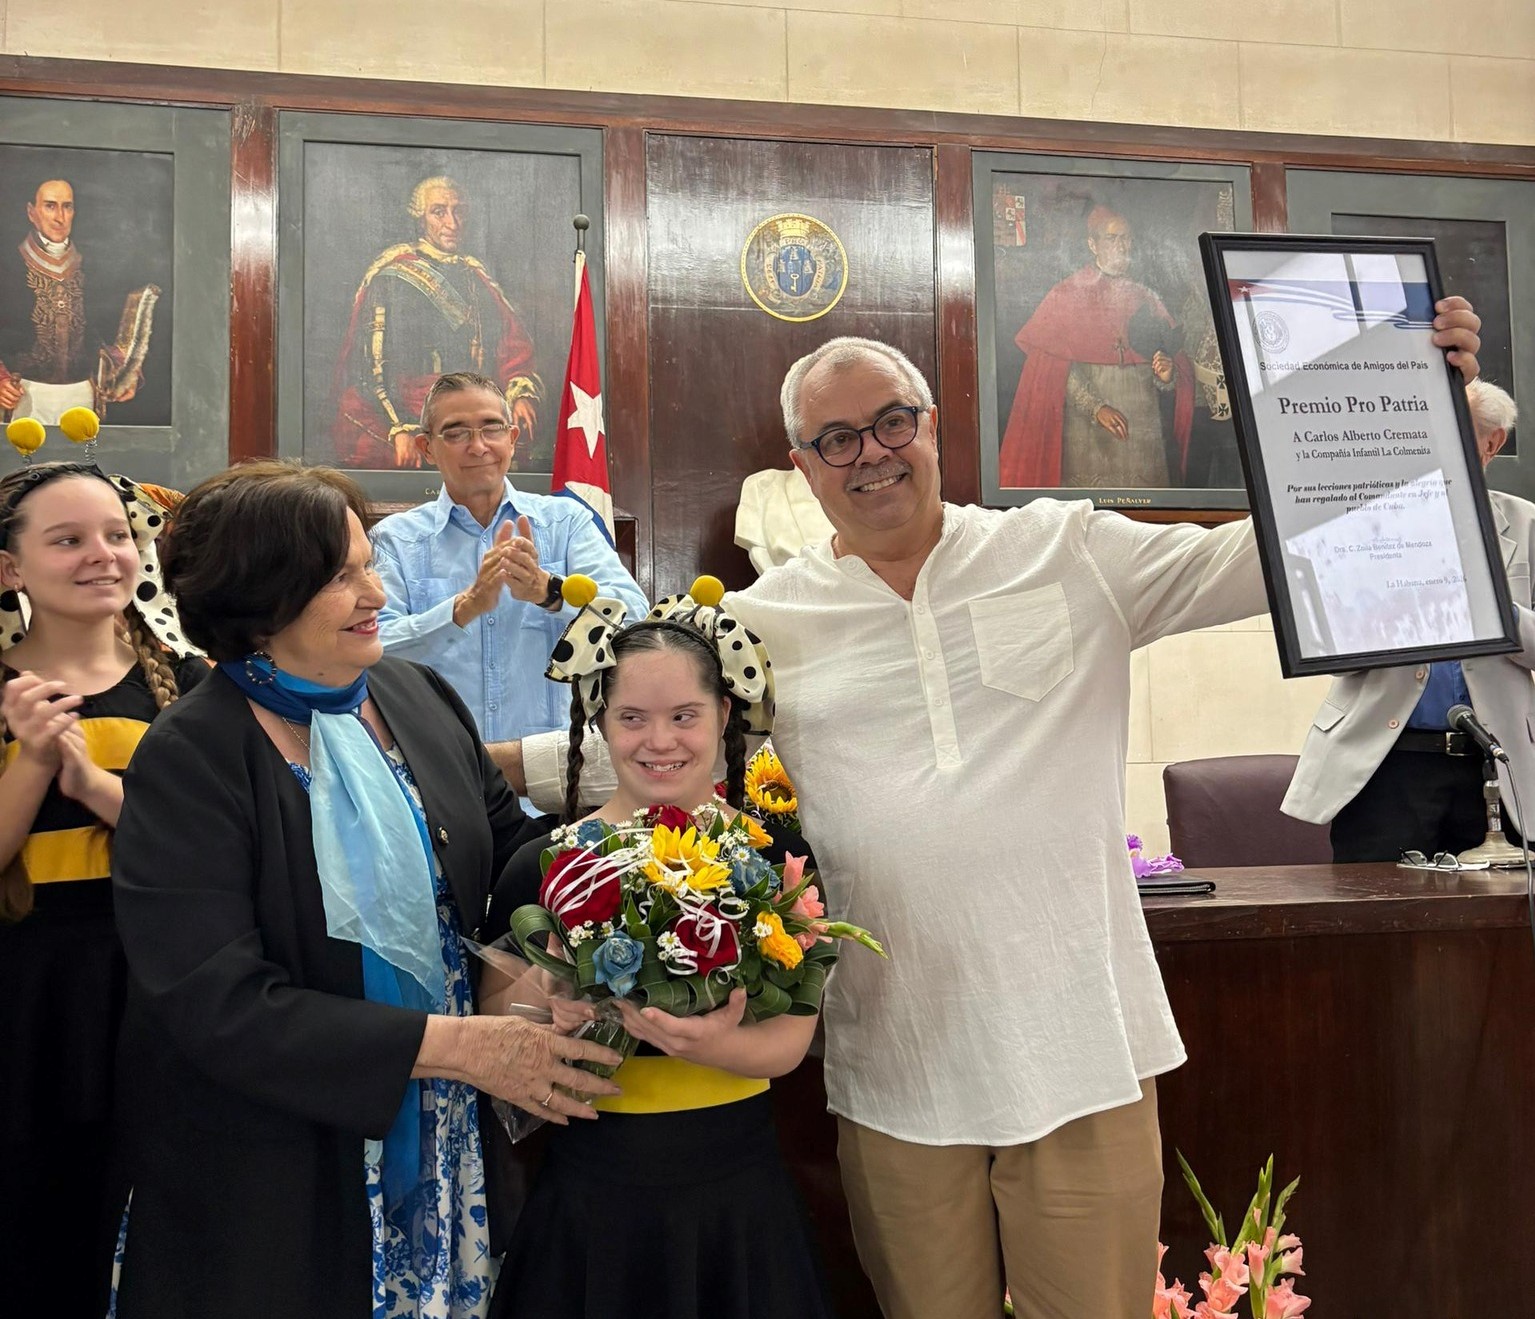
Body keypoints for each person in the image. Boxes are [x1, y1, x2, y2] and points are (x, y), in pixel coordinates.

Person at [514, 309, 1482, 1317]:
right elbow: (649, 735)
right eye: (836, 439)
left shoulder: (1065, 551)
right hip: (898, 1069)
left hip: (1079, 1053)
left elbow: (1264, 552)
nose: (870, 455)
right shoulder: (763, 621)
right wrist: (465, 758)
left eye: (891, 423)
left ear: (932, 426)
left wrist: (1417, 411)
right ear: (802, 463)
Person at [107, 460, 622, 1319]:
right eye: (341, 576)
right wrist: (464, 1046)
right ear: (262, 600)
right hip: (277, 1167)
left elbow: (507, 853)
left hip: (445, 1141)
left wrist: (614, 875)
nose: (376, 590)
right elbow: (216, 1003)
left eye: (367, 564)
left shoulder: (412, 693)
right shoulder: (189, 755)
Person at [483, 583, 833, 1319]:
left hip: (737, 1202)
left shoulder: (776, 857)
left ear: (724, 716)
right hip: (588, 1202)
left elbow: (788, 1040)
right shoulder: (542, 861)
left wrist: (705, 1041)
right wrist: (548, 1009)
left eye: (684, 716)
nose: (659, 740)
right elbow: (495, 1030)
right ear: (599, 723)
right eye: (632, 717)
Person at [0, 460, 202, 1319]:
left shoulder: (190, 686)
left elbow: (208, 854)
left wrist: (94, 788)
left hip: (159, 990)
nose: (102, 554)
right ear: (12, 568)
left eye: (117, 534)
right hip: (26, 994)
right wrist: (33, 764)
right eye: (68, 539)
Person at [1283, 378, 1535, 862]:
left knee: (1500, 927)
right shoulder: (1365, 522)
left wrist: (1488, 604)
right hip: (1389, 760)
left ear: (1492, 442)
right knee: (1375, 918)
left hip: (1495, 763)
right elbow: (1329, 650)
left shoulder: (1524, 525)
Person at [371, 371, 647, 783]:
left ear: (513, 438)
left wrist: (549, 592)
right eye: (456, 432)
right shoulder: (394, 540)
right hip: (441, 777)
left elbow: (634, 620)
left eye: (491, 428)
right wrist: (462, 610)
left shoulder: (565, 523)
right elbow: (374, 651)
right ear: (427, 448)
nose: (478, 446)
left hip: (554, 780)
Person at [330, 176, 540, 469]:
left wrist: (519, 396)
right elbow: (370, 370)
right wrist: (399, 428)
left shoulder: (475, 276)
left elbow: (512, 346)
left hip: (468, 405)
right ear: (420, 219)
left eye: (459, 211)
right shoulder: (390, 276)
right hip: (401, 403)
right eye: (439, 211)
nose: (452, 223)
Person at [998, 205, 1193, 490]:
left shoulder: (1147, 297)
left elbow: (1167, 365)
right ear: (1093, 244)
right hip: (1088, 431)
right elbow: (1057, 369)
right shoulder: (1066, 295)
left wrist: (1166, 376)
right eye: (1113, 239)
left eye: (1126, 238)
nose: (1122, 246)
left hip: (1141, 430)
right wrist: (1096, 407)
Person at [0, 178, 160, 425]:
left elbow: (107, 329)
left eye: (67, 207)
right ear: (32, 212)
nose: (60, 217)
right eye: (50, 206)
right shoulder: (7, 264)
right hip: (22, 397)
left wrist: (125, 372)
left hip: (83, 396)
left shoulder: (95, 264)